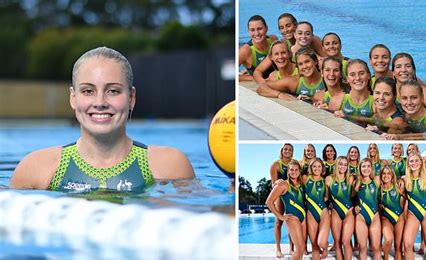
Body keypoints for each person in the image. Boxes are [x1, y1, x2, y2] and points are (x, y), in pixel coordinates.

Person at [11, 47, 194, 191]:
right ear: (73, 98)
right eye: (88, 91)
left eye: (113, 91)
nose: (100, 102)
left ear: (132, 98)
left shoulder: (168, 166)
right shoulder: (36, 168)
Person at [266, 161, 308, 260]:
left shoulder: (301, 184)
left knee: (302, 247)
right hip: (292, 218)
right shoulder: (283, 185)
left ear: (299, 171)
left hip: (303, 217)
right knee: (299, 248)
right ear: (288, 171)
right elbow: (269, 202)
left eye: (296, 170)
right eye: (291, 170)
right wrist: (281, 216)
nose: (294, 172)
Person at [253, 13, 326, 83]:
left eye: (288, 26)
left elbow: (328, 59)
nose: (285, 30)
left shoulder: (312, 40)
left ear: (296, 25)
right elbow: (258, 70)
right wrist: (263, 83)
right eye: (281, 28)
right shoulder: (282, 45)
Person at [326, 156, 355, 260]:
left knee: (345, 241)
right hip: (336, 212)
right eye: (340, 164)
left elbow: (355, 196)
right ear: (336, 165)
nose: (343, 167)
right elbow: (327, 198)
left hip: (349, 212)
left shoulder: (351, 178)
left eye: (345, 164)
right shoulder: (328, 179)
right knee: (337, 243)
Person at [256, 47, 324, 102]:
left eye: (307, 61)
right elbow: (261, 88)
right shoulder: (294, 82)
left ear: (315, 61)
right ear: (298, 67)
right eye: (300, 64)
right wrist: (279, 94)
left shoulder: (325, 78)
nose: (304, 66)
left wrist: (312, 99)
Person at [353, 158, 382, 260]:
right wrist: (355, 206)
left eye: (368, 166)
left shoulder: (376, 180)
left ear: (372, 168)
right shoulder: (356, 182)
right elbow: (351, 198)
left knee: (376, 247)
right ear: (360, 168)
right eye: (363, 166)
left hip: (374, 216)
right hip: (361, 217)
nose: (366, 169)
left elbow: (391, 178)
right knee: (363, 247)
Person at [302, 158, 330, 260]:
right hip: (310, 213)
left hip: (323, 212)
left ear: (322, 168)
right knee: (314, 244)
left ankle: (326, 246)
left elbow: (327, 197)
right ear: (310, 168)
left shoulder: (325, 181)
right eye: (314, 167)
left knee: (321, 242)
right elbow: (291, 182)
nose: (317, 169)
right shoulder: (305, 179)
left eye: (319, 166)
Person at [379, 165, 406, 260]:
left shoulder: (398, 187)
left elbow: (407, 200)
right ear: (381, 176)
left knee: (398, 247)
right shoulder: (378, 189)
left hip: (399, 218)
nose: (386, 176)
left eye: (388, 173)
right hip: (386, 219)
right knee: (388, 239)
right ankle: (385, 255)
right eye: (384, 173)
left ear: (392, 176)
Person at [270, 143, 294, 258]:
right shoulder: (276, 165)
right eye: (285, 149)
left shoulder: (294, 163)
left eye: (289, 149)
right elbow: (273, 183)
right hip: (280, 195)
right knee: (279, 222)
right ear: (282, 151)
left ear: (292, 152)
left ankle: (292, 248)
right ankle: (278, 248)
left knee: (291, 221)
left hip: (291, 195)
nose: (287, 151)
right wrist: (277, 182)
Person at [239, 15, 277, 81]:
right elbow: (228, 71)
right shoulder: (245, 50)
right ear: (248, 31)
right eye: (252, 30)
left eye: (259, 29)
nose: (256, 33)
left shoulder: (273, 39)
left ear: (266, 28)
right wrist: (250, 78)